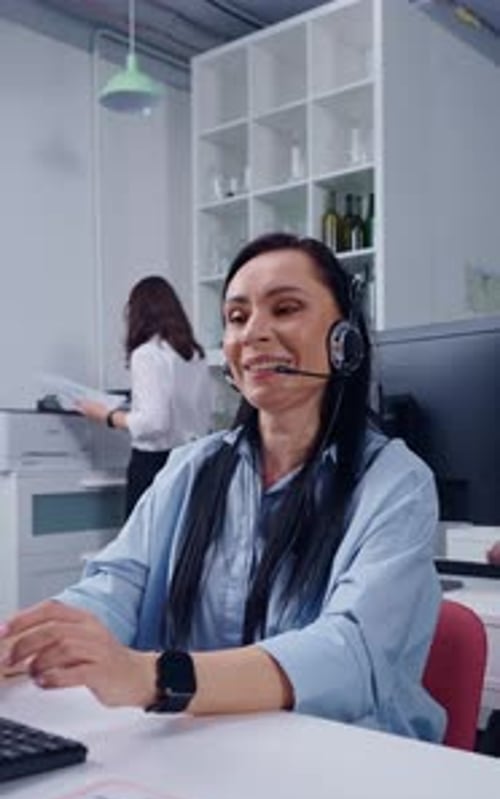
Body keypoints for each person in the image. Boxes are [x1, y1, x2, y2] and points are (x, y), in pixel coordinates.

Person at [0, 234, 445, 742]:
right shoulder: (192, 469)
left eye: (285, 309)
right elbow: (116, 587)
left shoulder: (397, 484)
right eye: (237, 317)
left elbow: (349, 651)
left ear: (345, 338)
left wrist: (155, 677)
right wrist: (31, 644)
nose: (253, 333)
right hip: (205, 746)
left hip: (343, 756)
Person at [77, 275, 212, 518]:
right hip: (192, 462)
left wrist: (106, 416)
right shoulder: (196, 355)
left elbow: (153, 423)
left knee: (145, 539)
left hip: (154, 466)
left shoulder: (147, 354)